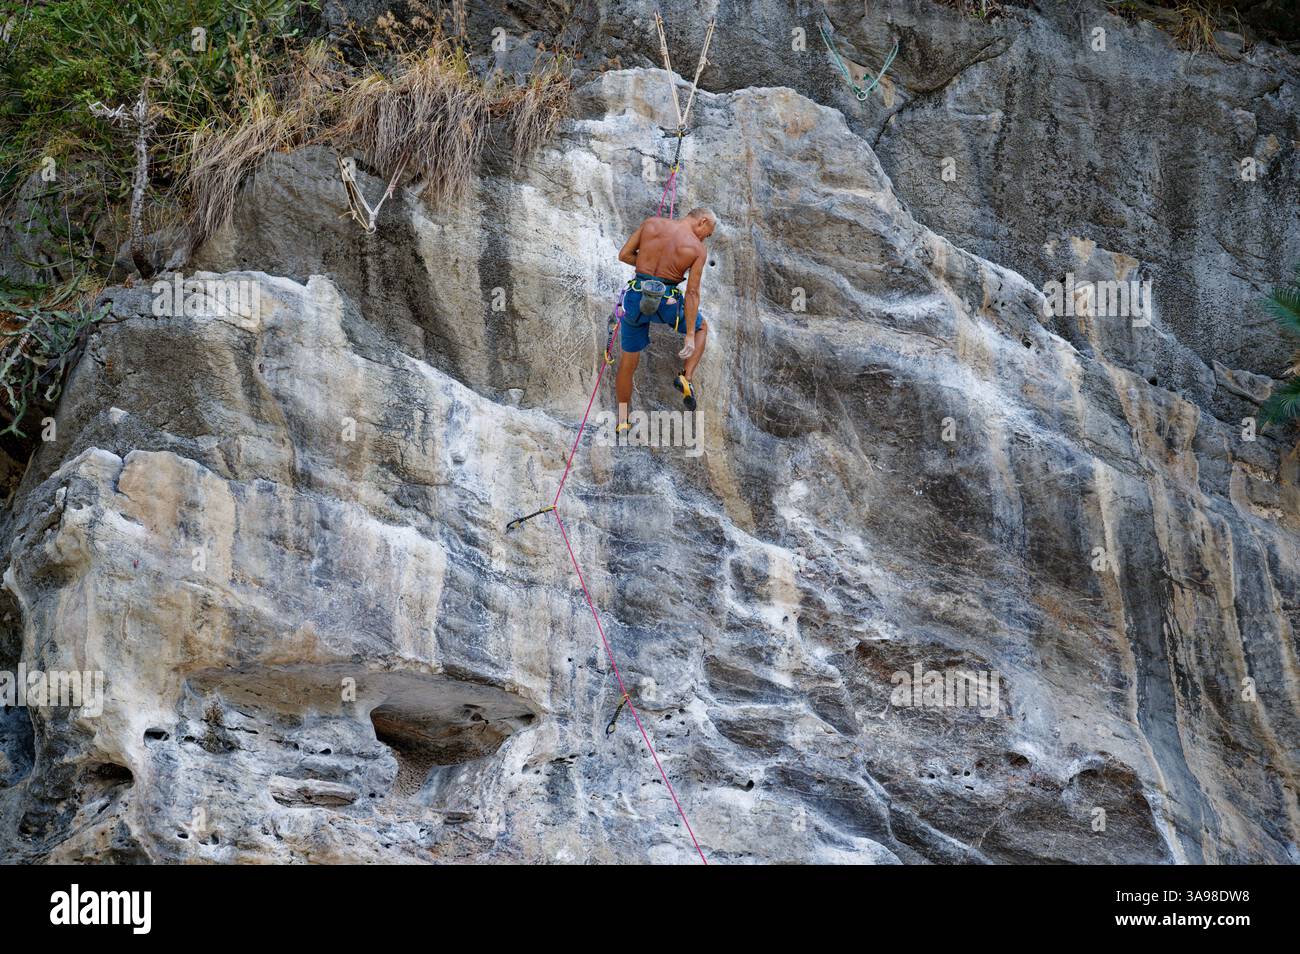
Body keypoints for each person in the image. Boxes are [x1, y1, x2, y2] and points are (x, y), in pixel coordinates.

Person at [614, 207, 717, 428]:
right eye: (707, 233)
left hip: (635, 300)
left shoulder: (651, 224)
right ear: (703, 221)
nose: (705, 238)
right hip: (666, 304)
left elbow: (624, 255)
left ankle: (622, 420)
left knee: (628, 362)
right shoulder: (697, 249)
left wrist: (645, 266)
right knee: (702, 328)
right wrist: (689, 334)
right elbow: (692, 293)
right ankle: (686, 377)